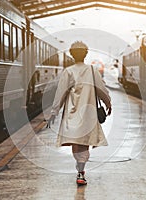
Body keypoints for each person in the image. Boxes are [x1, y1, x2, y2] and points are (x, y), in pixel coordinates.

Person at [47, 41, 112, 186]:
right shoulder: (92, 70)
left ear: (71, 54)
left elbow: (61, 93)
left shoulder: (68, 71)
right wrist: (108, 103)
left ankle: (80, 169)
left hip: (72, 112)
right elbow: (101, 90)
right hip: (88, 112)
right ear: (86, 54)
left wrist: (54, 112)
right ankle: (81, 170)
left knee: (77, 142)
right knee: (85, 141)